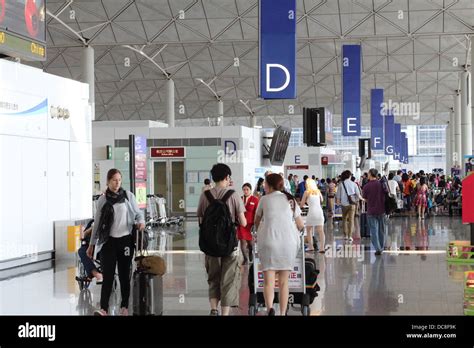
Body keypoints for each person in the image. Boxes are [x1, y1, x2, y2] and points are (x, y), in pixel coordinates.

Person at [88, 169, 145, 316]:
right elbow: (98, 224)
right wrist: (91, 244)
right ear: (108, 181)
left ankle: (124, 306)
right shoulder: (102, 200)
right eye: (114, 180)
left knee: (124, 275)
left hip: (125, 241)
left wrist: (141, 222)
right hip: (108, 243)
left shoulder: (128, 196)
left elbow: (139, 214)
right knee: (107, 276)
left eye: (119, 180)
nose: (117, 183)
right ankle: (104, 308)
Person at [197, 163, 247, 316]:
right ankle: (224, 313)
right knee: (229, 279)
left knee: (213, 278)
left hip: (210, 245)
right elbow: (243, 222)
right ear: (227, 177)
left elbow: (200, 220)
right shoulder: (233, 195)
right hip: (230, 245)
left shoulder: (205, 195)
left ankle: (213, 309)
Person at [254, 174, 305, 316]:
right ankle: (282, 313)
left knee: (268, 282)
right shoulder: (290, 200)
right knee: (284, 283)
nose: (263, 186)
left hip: (268, 242)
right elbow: (300, 224)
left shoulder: (264, 199)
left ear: (269, 185)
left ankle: (270, 308)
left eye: (265, 184)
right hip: (288, 244)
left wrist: (260, 230)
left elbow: (256, 221)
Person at [362, 168, 386, 256]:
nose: (367, 175)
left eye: (368, 173)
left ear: (371, 174)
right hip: (381, 209)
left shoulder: (366, 186)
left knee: (373, 230)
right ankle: (381, 247)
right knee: (381, 230)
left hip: (371, 211)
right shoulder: (381, 184)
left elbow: (365, 198)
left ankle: (378, 248)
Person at [300, 179, 325, 253]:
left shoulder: (306, 192)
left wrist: (307, 203)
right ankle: (322, 248)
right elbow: (322, 200)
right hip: (319, 212)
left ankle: (311, 247)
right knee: (321, 231)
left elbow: (301, 204)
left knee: (309, 230)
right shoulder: (318, 192)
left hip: (312, 212)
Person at [237, 183, 259, 265]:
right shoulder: (240, 199)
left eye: (247, 190)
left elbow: (257, 213)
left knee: (250, 243)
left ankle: (250, 253)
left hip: (250, 224)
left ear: (250, 190)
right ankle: (245, 259)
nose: (245, 191)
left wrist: (255, 224)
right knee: (242, 241)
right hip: (241, 224)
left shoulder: (255, 199)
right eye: (244, 190)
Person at [335, 170, 359, 242]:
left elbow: (338, 195)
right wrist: (357, 201)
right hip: (352, 204)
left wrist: (338, 203)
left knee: (344, 219)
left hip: (344, 204)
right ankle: (350, 236)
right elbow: (357, 194)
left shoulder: (341, 184)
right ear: (349, 176)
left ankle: (345, 235)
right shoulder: (354, 184)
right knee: (351, 220)